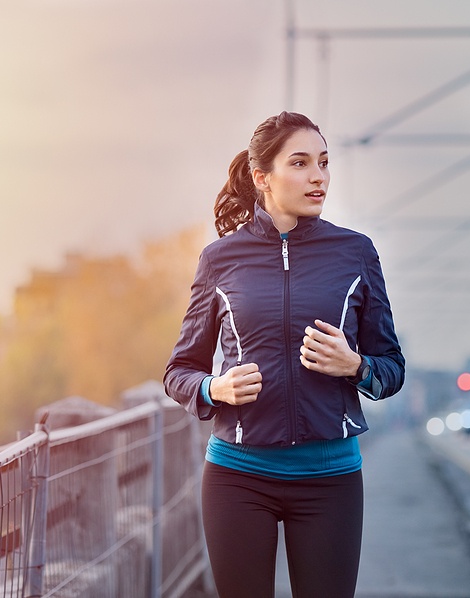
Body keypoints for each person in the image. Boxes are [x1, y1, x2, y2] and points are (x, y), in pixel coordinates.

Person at [164, 111, 405, 598]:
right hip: (237, 477)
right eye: (300, 163)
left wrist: (355, 366)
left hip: (330, 481)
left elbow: (392, 370)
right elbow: (179, 372)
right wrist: (216, 387)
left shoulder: (355, 253)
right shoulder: (220, 259)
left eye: (323, 162)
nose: (318, 176)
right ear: (262, 178)